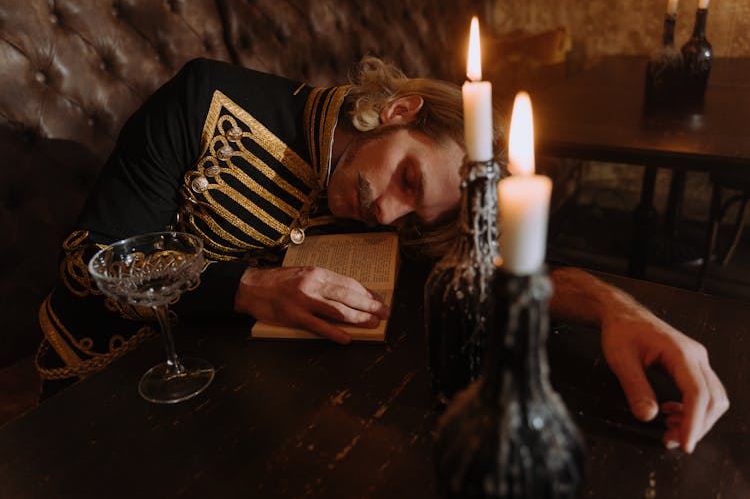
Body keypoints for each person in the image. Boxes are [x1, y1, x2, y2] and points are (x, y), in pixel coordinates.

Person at [37, 56, 727, 454]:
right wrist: (247, 287)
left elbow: (492, 273)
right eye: (408, 178)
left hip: (241, 413)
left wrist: (616, 305)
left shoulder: (395, 208)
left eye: (413, 210)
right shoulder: (201, 98)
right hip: (109, 398)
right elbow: (87, 264)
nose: (388, 211)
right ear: (398, 113)